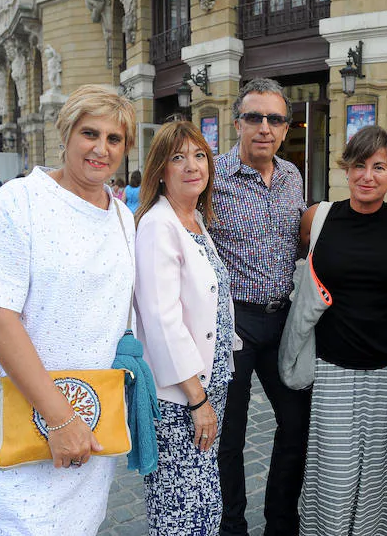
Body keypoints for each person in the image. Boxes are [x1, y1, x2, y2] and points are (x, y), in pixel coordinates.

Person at [0, 84, 137, 534]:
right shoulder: (19, 202)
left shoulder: (122, 216)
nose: (101, 149)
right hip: (20, 407)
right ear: (66, 133)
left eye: (114, 140)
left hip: (88, 406)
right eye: (90, 133)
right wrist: (59, 417)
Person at [297, 125, 387, 536]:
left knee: (384, 468)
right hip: (332, 361)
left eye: (379, 166)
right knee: (333, 465)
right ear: (346, 170)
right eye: (359, 165)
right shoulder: (318, 218)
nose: (367, 176)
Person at [209, 78, 310, 536]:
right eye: (254, 117)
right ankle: (232, 526)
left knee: (296, 422)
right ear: (237, 124)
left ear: (286, 128)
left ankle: (280, 523)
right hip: (232, 322)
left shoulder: (292, 176)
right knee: (230, 434)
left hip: (283, 318)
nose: (264, 127)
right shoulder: (211, 175)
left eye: (274, 119)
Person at [133, 121, 241, 533]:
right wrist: (198, 400)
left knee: (203, 499)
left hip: (206, 385)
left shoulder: (193, 219)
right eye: (178, 158)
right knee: (182, 505)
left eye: (199, 155)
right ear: (161, 169)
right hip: (179, 395)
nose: (192, 166)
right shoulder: (159, 225)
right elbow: (162, 319)